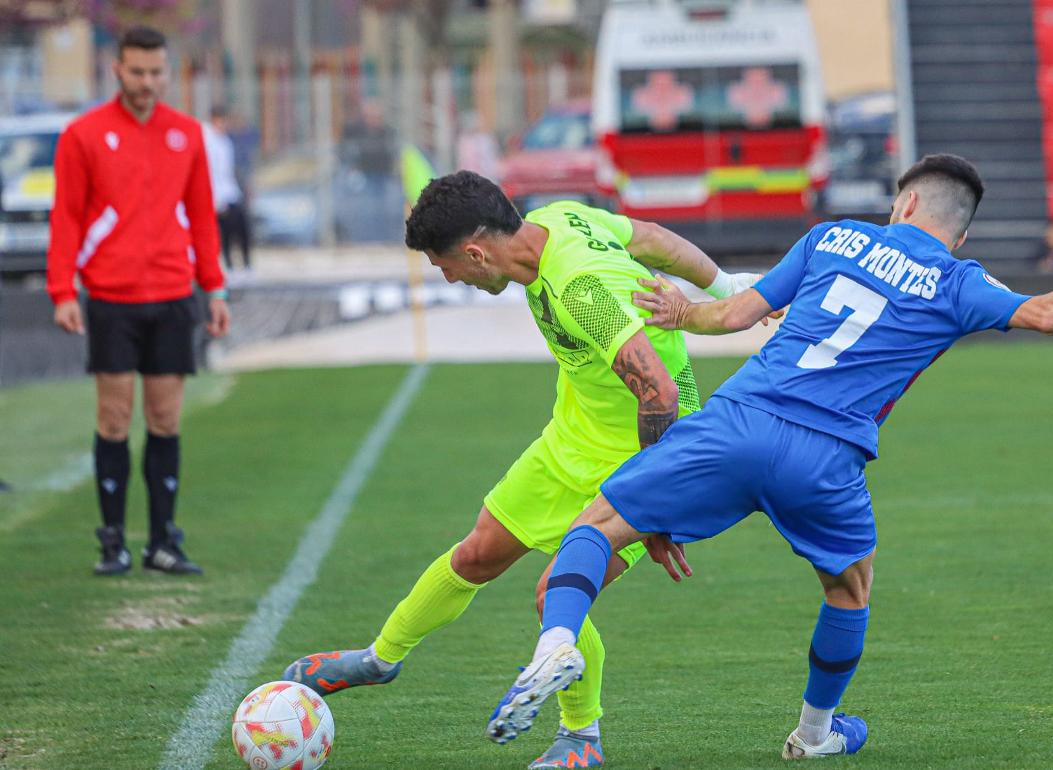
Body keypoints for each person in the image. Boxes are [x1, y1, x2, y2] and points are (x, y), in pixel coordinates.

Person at [485, 154, 1053, 758]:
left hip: (739, 420)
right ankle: (814, 734)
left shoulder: (831, 238)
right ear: (955, 228)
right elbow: (1047, 314)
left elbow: (731, 315)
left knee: (596, 525)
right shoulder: (958, 282)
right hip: (824, 459)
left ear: (907, 201)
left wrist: (683, 313)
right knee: (849, 590)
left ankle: (557, 641)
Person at [282, 171, 765, 769]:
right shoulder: (560, 218)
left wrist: (652, 506)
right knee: (475, 555)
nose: (450, 278)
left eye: (446, 267)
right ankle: (380, 658)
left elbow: (659, 394)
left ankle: (581, 739)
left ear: (476, 252)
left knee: (554, 596)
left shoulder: (577, 289)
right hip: (571, 439)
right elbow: (651, 237)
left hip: (648, 452)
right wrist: (724, 282)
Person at [45, 26, 230, 576]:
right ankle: (112, 543)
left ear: (167, 73)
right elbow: (68, 217)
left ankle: (163, 542)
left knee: (166, 419)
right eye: (138, 72)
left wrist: (214, 288)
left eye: (156, 73)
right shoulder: (83, 134)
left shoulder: (187, 134)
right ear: (117, 71)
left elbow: (201, 216)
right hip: (110, 297)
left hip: (175, 295)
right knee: (114, 418)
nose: (148, 82)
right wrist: (62, 291)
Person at [202, 104, 251, 274]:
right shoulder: (206, 140)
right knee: (224, 232)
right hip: (216, 195)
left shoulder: (225, 141)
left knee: (241, 226)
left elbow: (227, 171)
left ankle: (245, 265)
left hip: (230, 192)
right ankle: (229, 265)